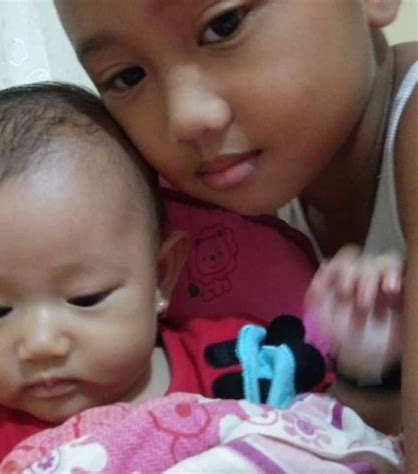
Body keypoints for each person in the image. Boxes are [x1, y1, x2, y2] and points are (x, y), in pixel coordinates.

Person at [54, 0, 417, 468]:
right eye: (127, 77)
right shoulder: (194, 208)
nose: (186, 118)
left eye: (224, 26)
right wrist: (369, 376)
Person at [0, 82, 326, 472]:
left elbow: (336, 434)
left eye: (86, 298)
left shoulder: (240, 362)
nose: (41, 344)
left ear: (161, 275)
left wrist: (358, 361)